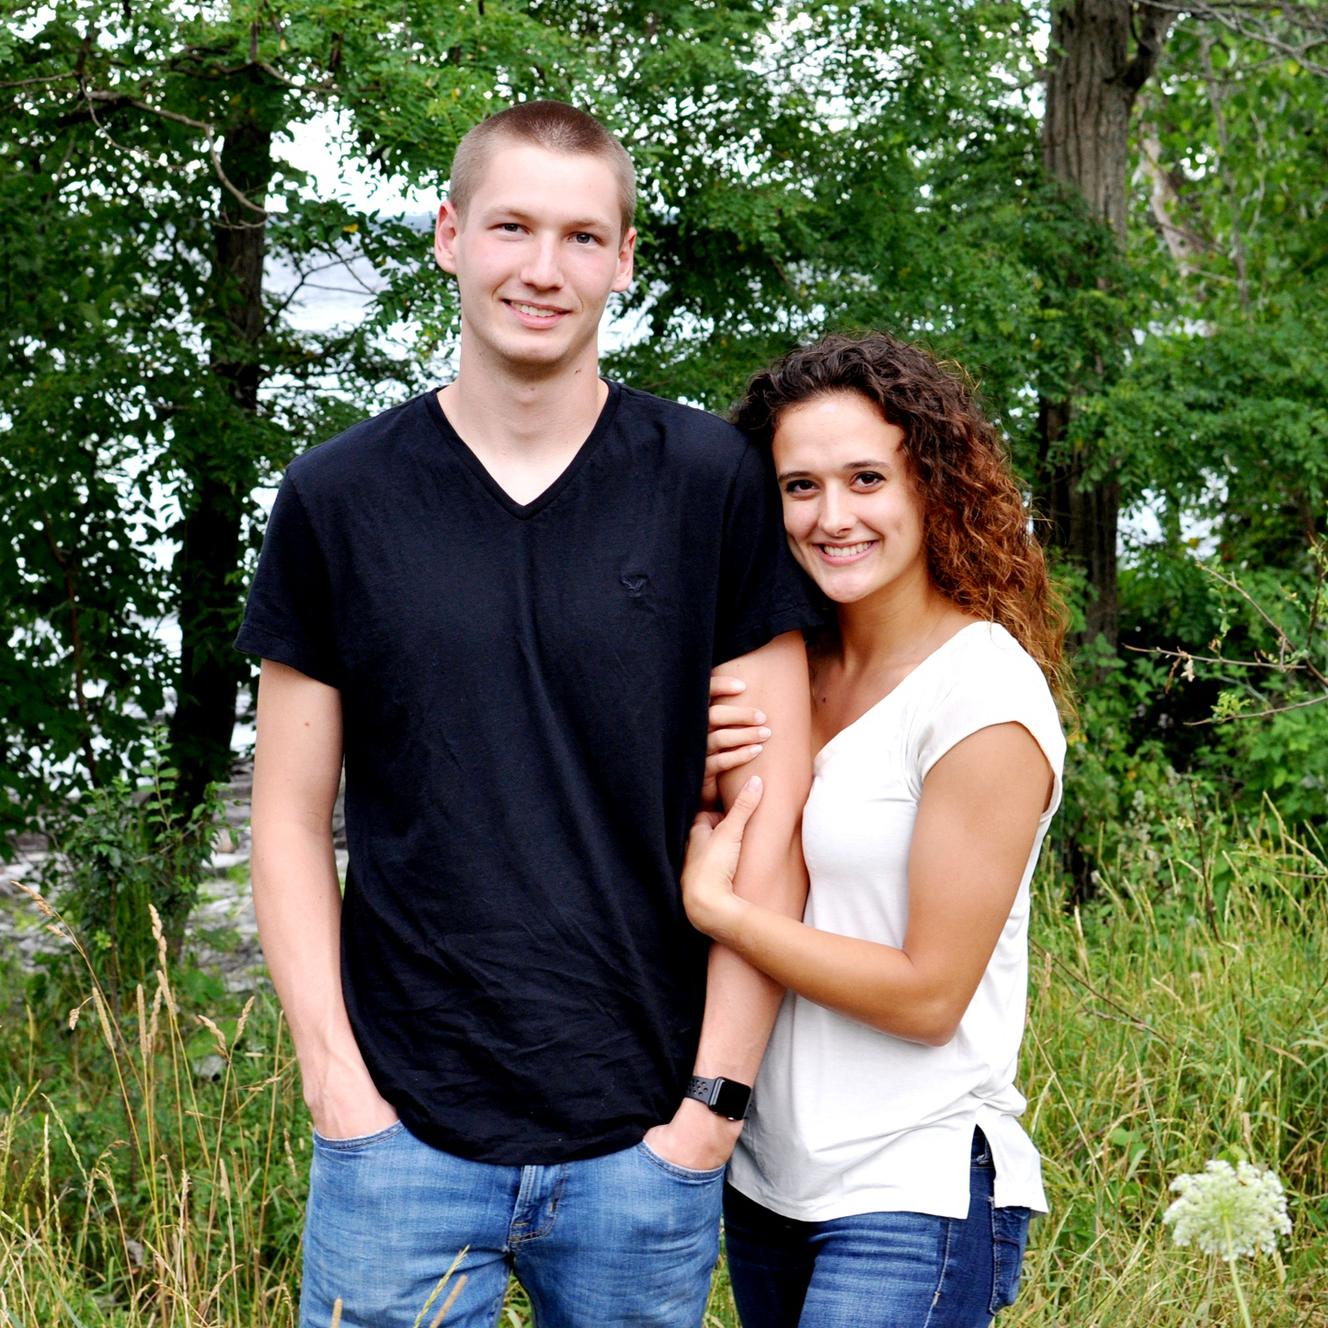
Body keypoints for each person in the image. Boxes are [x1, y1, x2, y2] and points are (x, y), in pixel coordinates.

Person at [235, 100, 822, 1328]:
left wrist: (710, 1108)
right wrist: (337, 1086)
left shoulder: (706, 481)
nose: (542, 269)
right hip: (397, 1139)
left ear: (622, 260)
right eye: (510, 227)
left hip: (641, 1141)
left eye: (580, 236)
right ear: (449, 235)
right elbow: (285, 819)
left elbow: (771, 815)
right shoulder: (338, 496)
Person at [681, 332, 1070, 1328]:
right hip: (766, 1184)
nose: (832, 516)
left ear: (932, 484)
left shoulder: (979, 694)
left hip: (912, 1189)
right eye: (799, 486)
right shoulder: (781, 671)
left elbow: (928, 994)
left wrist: (725, 913)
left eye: (865, 478)